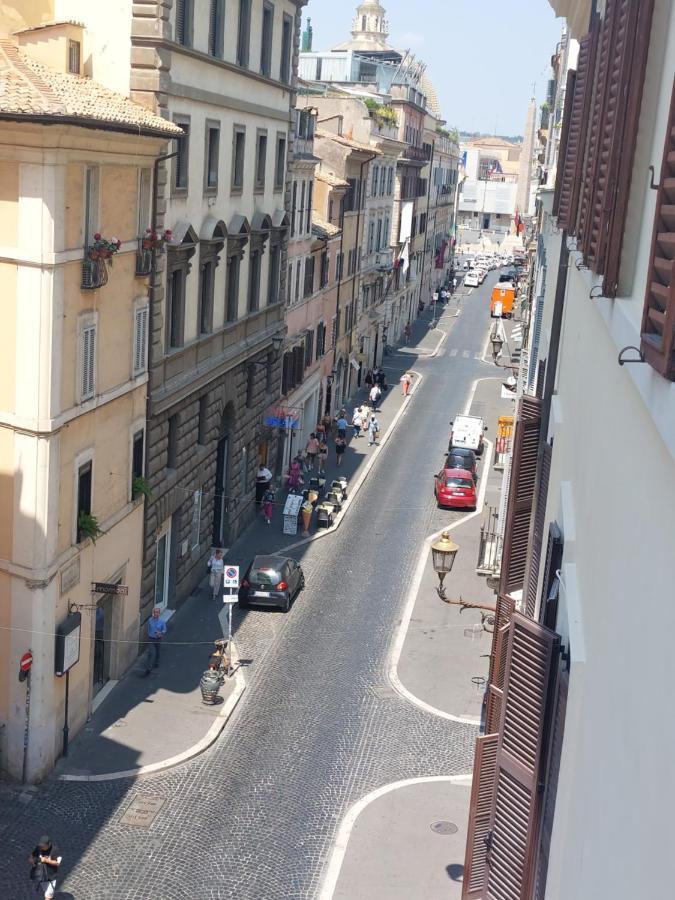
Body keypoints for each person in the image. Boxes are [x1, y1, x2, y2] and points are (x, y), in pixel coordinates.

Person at [28, 836, 61, 900]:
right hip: (42, 876)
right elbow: (32, 855)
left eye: (43, 846)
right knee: (47, 893)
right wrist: (31, 860)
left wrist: (46, 860)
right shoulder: (38, 848)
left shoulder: (55, 850)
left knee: (47, 897)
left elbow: (57, 863)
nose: (41, 847)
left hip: (51, 877)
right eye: (41, 846)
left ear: (48, 844)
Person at [144, 607, 166, 675]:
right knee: (151, 653)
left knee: (158, 652)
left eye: (157, 612)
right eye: (155, 612)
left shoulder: (162, 621)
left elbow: (164, 630)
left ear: (159, 613)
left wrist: (161, 633)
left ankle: (157, 662)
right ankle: (148, 668)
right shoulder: (150, 620)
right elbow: (148, 629)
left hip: (158, 639)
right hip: (151, 639)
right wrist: (149, 634)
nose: (156, 613)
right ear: (153, 613)